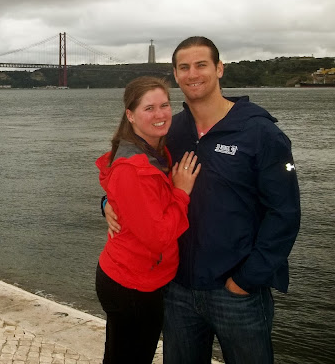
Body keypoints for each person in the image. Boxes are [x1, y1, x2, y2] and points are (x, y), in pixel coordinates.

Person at [104, 37, 301, 363]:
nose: (193, 74)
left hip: (237, 293)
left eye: (201, 65)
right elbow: (130, 175)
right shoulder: (169, 130)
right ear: (176, 75)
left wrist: (246, 280)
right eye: (184, 67)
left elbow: (285, 213)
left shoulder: (262, 134)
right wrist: (107, 203)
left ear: (219, 69)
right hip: (177, 289)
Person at [96, 76, 200, 363]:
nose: (160, 114)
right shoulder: (135, 166)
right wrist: (181, 193)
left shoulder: (153, 150)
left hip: (134, 275)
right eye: (149, 108)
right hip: (132, 284)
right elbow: (158, 237)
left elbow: (119, 192)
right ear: (130, 115)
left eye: (164, 105)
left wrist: (107, 202)